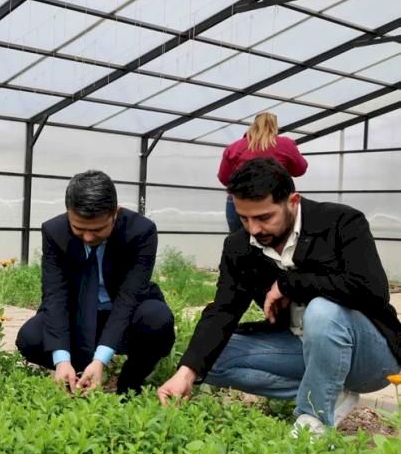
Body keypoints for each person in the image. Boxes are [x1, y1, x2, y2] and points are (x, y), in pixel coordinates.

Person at [158, 158, 401, 435]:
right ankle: (327, 393)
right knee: (207, 360)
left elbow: (372, 290)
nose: (253, 229)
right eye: (243, 218)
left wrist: (289, 284)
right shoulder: (240, 247)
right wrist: (186, 373)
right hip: (300, 347)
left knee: (322, 311)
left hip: (370, 357)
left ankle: (313, 420)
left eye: (264, 217)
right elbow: (223, 310)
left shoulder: (341, 222)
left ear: (293, 201)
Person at [16, 170, 175, 395]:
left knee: (156, 319)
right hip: (78, 312)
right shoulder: (54, 231)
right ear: (68, 213)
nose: (89, 237)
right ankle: (76, 374)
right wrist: (61, 358)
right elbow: (55, 294)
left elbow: (129, 297)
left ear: (115, 213)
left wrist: (101, 359)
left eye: (98, 229)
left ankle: (129, 385)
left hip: (125, 312)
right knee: (31, 337)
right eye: (79, 229)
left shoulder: (141, 231)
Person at [218, 112, 307, 233]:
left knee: (239, 244)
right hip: (276, 200)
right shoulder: (285, 144)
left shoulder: (234, 147)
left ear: (253, 125)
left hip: (241, 202)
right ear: (274, 126)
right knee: (278, 243)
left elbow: (224, 178)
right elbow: (300, 170)